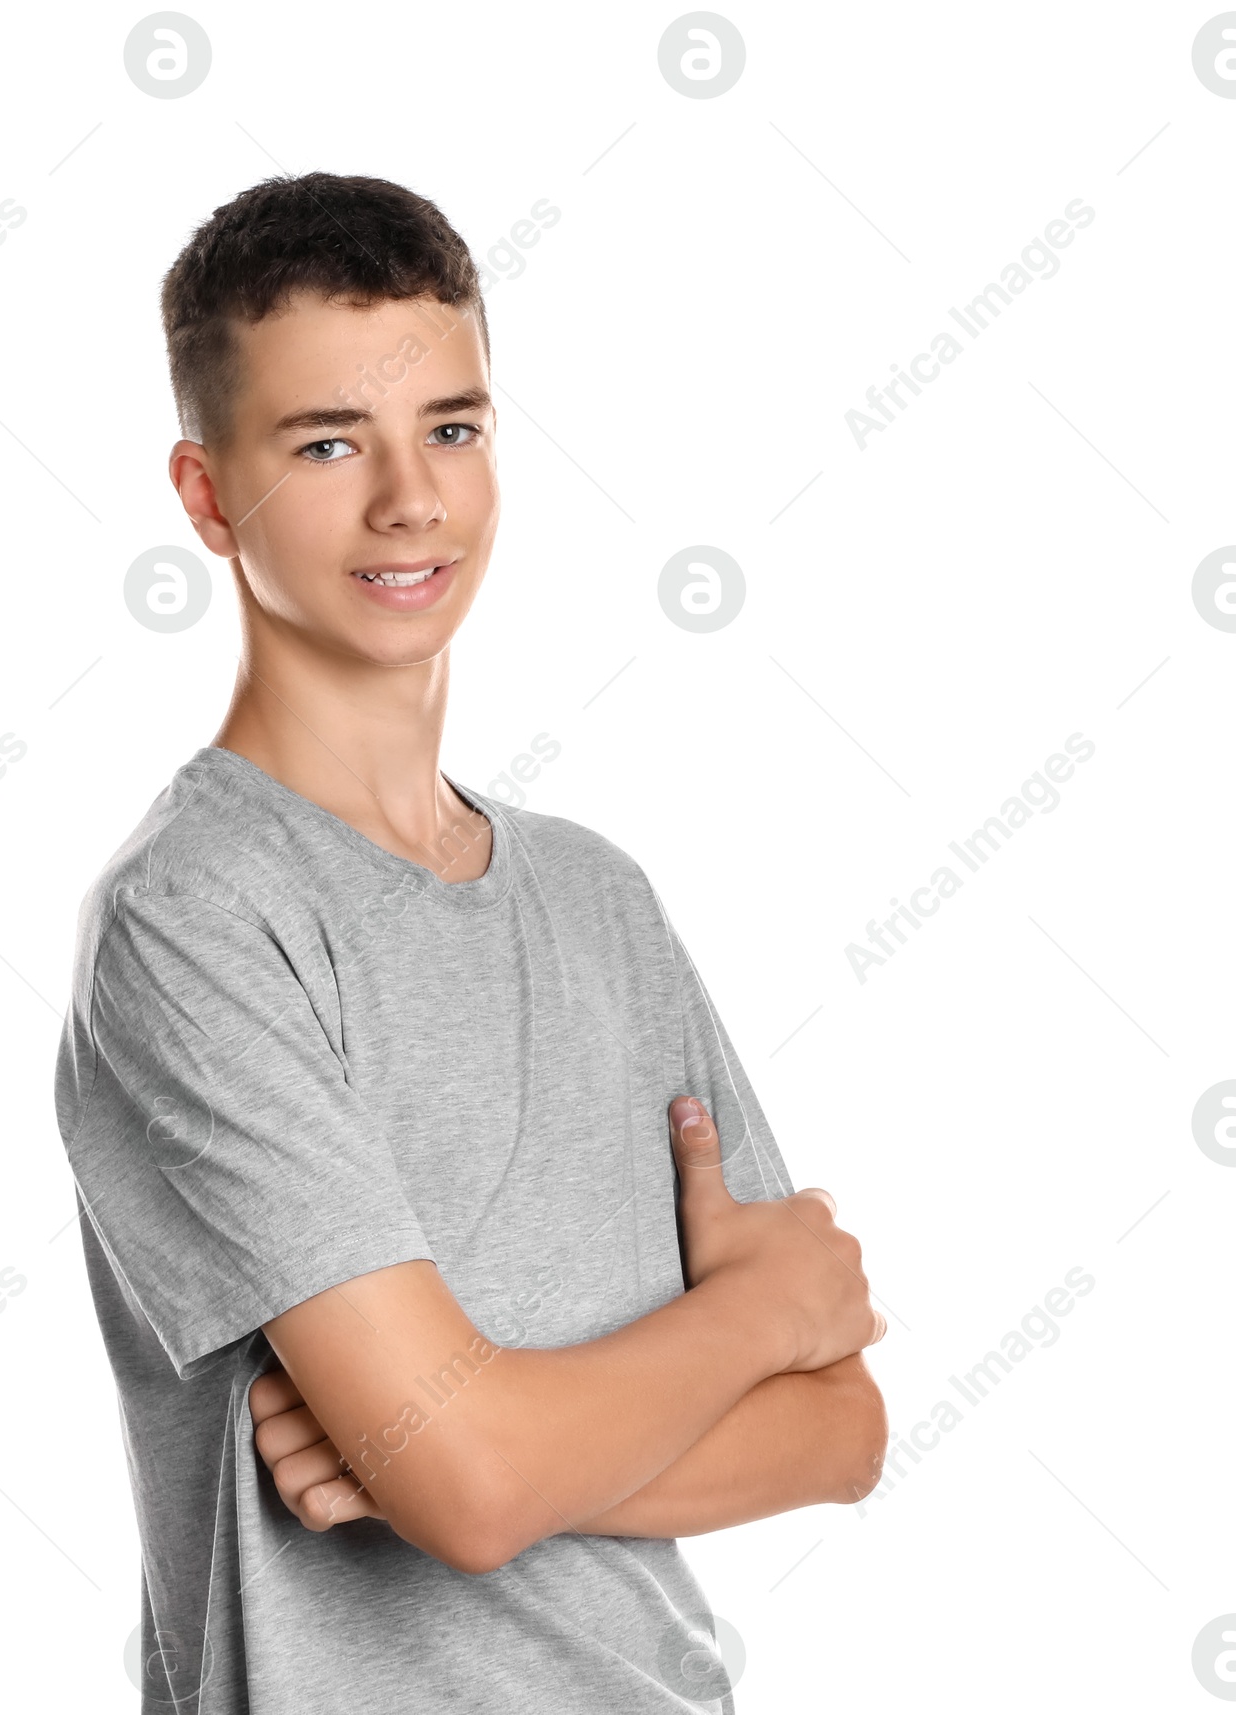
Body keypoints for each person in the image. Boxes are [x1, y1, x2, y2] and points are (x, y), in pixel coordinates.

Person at [54, 171, 888, 1715]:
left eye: (453, 427)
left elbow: (843, 1431)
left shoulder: (598, 900)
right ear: (203, 494)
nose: (411, 502)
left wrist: (451, 1450)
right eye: (325, 445)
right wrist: (755, 1316)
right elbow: (482, 1483)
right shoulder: (195, 922)